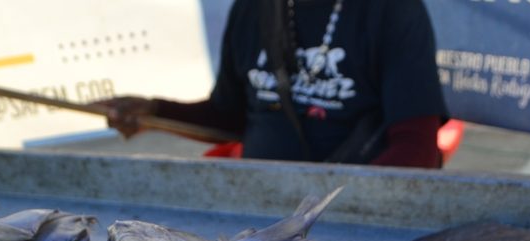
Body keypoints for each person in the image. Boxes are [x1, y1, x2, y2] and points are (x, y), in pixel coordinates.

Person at [102, 0, 448, 168]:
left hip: (343, 214)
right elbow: (232, 118)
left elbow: (416, 148)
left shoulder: (393, 10)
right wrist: (154, 112)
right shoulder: (252, 9)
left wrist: (337, 207)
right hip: (259, 209)